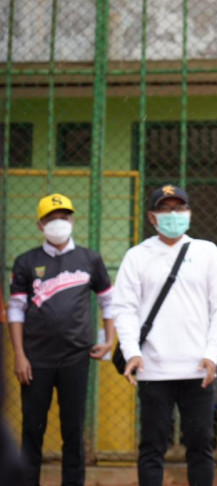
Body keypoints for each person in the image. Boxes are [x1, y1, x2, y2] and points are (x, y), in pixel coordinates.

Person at [112, 184, 217, 486]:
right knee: (152, 448)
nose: (173, 214)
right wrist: (131, 352)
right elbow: (124, 309)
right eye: (165, 209)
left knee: (201, 447)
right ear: (152, 217)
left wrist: (212, 353)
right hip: (153, 368)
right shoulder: (137, 256)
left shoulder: (207, 252)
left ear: (189, 213)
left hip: (197, 369)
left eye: (179, 208)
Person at [7, 193, 115, 486]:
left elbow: (108, 301)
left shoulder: (90, 259)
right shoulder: (26, 261)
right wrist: (19, 354)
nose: (59, 223)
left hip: (76, 358)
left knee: (73, 430)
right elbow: (15, 310)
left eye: (64, 217)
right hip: (35, 359)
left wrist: (109, 340)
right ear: (40, 225)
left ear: (72, 221)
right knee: (32, 430)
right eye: (52, 218)